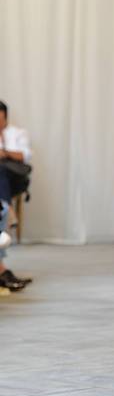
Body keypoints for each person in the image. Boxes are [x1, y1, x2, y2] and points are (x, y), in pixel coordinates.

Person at [0, 100, 33, 290]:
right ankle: (2, 271)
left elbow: (25, 156)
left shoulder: (17, 133)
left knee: (1, 171)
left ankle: (5, 208)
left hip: (16, 178)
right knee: (2, 212)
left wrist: (5, 153)